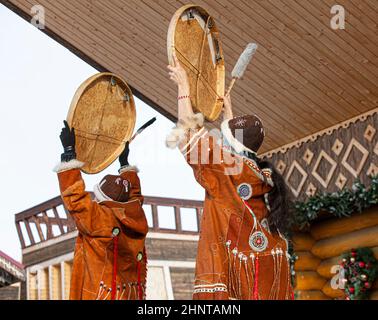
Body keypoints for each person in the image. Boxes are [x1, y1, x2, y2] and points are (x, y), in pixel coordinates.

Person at [166, 53, 294, 300]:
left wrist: (184, 89)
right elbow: (237, 151)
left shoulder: (227, 174)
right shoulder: (263, 181)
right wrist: (229, 115)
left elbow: (189, 136)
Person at [54, 121, 148, 300]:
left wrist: (68, 153)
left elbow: (76, 200)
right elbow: (135, 197)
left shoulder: (101, 218)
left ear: (102, 198)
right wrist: (124, 162)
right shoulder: (136, 216)